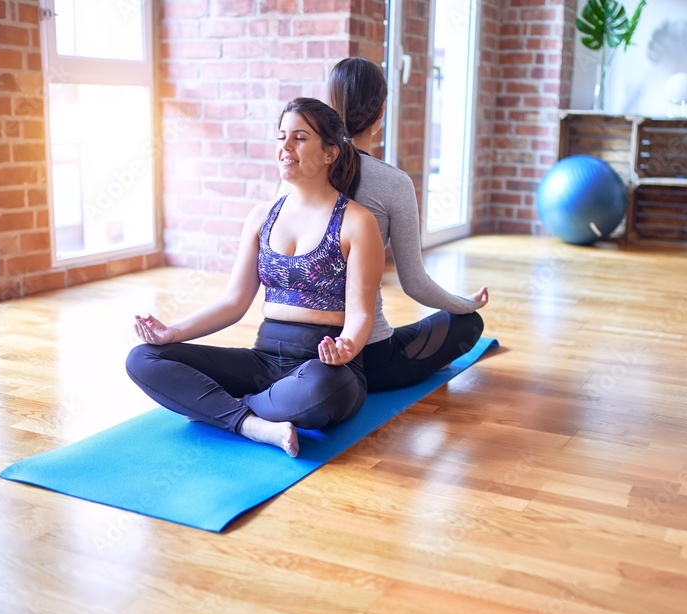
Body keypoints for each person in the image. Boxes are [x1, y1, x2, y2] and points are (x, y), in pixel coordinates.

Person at [125, 98, 384, 458]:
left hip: (322, 365)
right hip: (263, 361)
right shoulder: (261, 217)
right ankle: (254, 424)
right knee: (143, 358)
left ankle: (218, 407)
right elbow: (234, 301)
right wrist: (174, 333)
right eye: (281, 137)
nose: (285, 148)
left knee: (325, 391)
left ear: (330, 153)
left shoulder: (357, 222)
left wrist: (347, 347)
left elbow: (361, 313)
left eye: (299, 138)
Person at [327, 57, 489, 393]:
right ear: (381, 112)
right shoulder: (393, 182)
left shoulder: (301, 177)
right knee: (467, 324)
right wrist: (465, 303)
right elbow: (414, 284)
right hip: (371, 359)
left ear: (329, 106)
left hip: (307, 350)